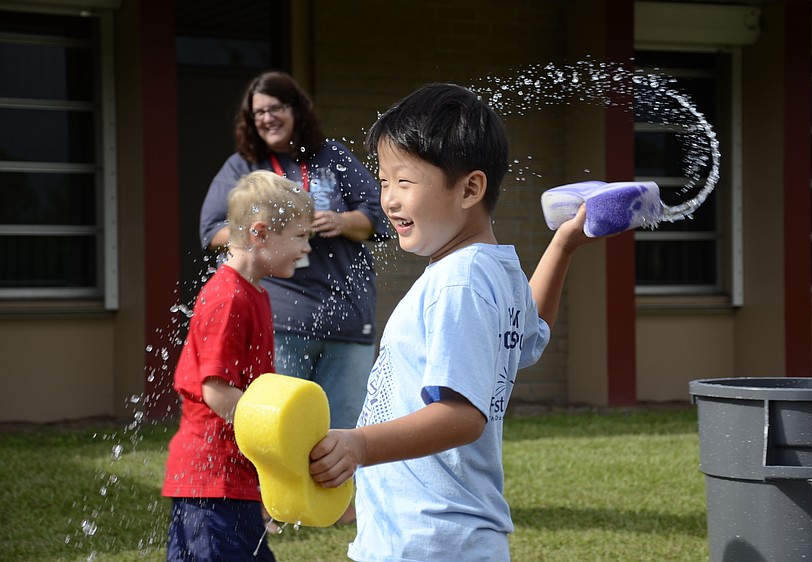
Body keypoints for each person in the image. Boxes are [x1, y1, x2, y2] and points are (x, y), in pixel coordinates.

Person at [307, 83, 603, 561]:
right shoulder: (493, 268)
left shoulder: (458, 282)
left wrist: (358, 445)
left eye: (405, 182)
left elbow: (462, 417)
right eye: (383, 182)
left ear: (470, 188)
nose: (389, 200)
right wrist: (563, 245)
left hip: (428, 540)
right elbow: (532, 337)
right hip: (442, 536)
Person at [199, 70, 388, 434]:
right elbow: (211, 232)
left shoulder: (331, 155)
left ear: (297, 109)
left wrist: (343, 221)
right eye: (258, 113)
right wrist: (267, 231)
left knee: (344, 435)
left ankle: (341, 496)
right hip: (280, 321)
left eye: (276, 107)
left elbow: (380, 216)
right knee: (283, 434)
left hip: (347, 318)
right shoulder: (243, 166)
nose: (267, 118)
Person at [163, 170, 313, 561]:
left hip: (232, 478)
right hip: (212, 482)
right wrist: (278, 442)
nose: (307, 247)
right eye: (299, 236)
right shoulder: (228, 298)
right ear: (260, 234)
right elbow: (217, 392)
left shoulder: (255, 293)